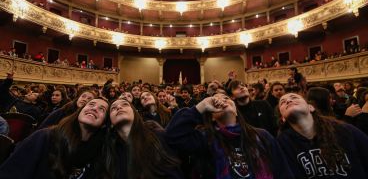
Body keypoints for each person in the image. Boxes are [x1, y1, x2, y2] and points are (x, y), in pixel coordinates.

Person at [166, 93, 294, 179]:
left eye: (227, 98)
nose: (222, 100)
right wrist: (201, 106)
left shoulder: (262, 135)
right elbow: (173, 135)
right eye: (216, 100)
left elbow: (283, 171)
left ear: (236, 111)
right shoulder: (205, 138)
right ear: (212, 116)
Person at [0, 98, 109, 178]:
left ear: (104, 123)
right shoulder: (44, 137)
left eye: (102, 109)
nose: (94, 108)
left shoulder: (99, 152)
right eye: (91, 104)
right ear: (79, 111)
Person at [277, 93, 368, 178]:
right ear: (283, 118)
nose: (288, 101)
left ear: (311, 107)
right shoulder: (283, 144)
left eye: (294, 98)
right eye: (283, 102)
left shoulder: (343, 130)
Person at [104, 99, 183, 179]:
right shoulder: (109, 149)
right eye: (113, 108)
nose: (119, 107)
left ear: (135, 113)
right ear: (110, 122)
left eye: (125, 104)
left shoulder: (157, 135)